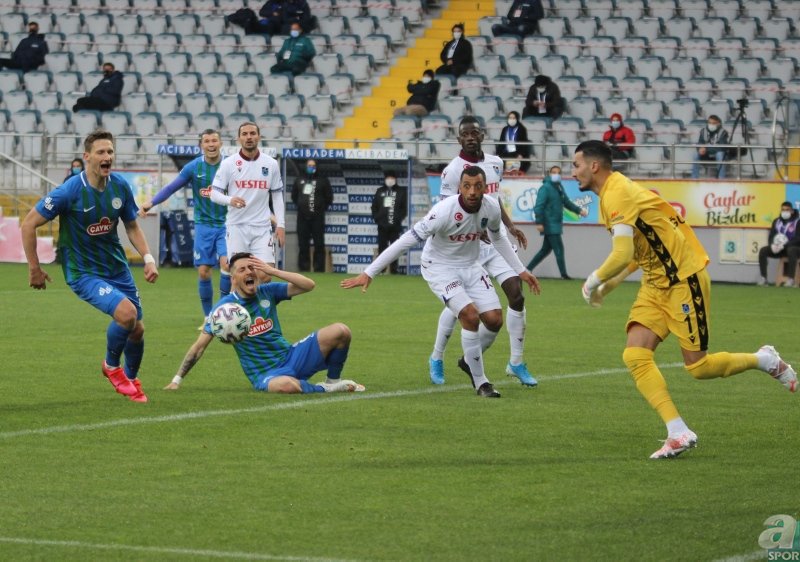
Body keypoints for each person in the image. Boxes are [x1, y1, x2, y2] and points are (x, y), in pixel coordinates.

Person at [574, 139, 797, 460]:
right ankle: (677, 431)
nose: (573, 172)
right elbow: (637, 251)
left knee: (699, 367)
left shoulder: (618, 192)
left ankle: (765, 360)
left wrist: (594, 279)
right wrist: (610, 286)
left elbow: (621, 253)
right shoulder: (612, 194)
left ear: (594, 166)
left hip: (683, 280)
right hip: (655, 285)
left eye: (576, 165)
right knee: (635, 355)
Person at [342, 167, 540, 398]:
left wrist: (521, 270)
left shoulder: (491, 208)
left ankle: (468, 360)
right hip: (439, 267)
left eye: (478, 186)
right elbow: (407, 240)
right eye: (467, 186)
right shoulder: (444, 212)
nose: (472, 191)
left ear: (485, 188)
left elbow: (497, 238)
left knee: (495, 320)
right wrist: (370, 272)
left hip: (471, 266)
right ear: (459, 188)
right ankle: (481, 383)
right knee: (470, 315)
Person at [21, 129, 159, 403]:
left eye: (110, 151)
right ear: (87, 157)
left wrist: (148, 259)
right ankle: (111, 366)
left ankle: (131, 380)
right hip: (83, 272)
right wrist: (34, 268)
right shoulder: (70, 191)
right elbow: (28, 224)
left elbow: (132, 226)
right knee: (127, 314)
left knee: (137, 329)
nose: (107, 156)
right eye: (101, 152)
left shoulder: (119, 186)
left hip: (116, 268)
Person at [429, 116, 536, 388]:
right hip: (467, 245)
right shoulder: (453, 171)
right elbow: (448, 211)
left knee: (516, 294)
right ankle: (437, 356)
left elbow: (494, 201)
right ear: (459, 138)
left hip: (495, 241)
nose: (470, 137)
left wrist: (510, 227)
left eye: (474, 133)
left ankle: (514, 362)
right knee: (461, 304)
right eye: (465, 134)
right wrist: (469, 233)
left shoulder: (496, 163)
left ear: (482, 135)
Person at [165, 252, 365, 393]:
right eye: (242, 269)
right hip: (265, 374)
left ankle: (333, 381)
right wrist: (177, 380)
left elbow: (308, 285)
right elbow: (199, 347)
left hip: (291, 356)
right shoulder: (223, 310)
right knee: (287, 386)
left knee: (341, 331)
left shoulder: (267, 291)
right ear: (233, 278)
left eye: (251, 267)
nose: (249, 272)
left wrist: (273, 271)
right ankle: (324, 389)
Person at [139, 129, 231, 319]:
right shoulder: (194, 167)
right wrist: (151, 203)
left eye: (214, 140)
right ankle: (208, 317)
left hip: (228, 224)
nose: (211, 144)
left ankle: (224, 313)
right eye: (207, 141)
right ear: (201, 145)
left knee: (227, 265)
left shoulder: (231, 165)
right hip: (204, 226)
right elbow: (171, 188)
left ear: (221, 143)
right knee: (204, 272)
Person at [210, 122, 285, 268]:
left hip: (262, 227)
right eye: (244, 134)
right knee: (239, 272)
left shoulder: (271, 164)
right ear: (239, 138)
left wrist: (281, 225)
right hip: (237, 227)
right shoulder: (228, 163)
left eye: (252, 133)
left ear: (259, 137)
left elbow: (277, 196)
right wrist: (230, 200)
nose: (249, 137)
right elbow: (214, 194)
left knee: (266, 273)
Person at [526, 165, 588, 279]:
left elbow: (566, 202)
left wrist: (579, 211)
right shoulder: (545, 188)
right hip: (550, 224)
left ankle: (527, 269)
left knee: (545, 250)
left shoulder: (559, 187)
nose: (557, 175)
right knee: (558, 248)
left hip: (555, 223)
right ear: (549, 174)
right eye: (554, 172)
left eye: (559, 172)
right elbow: (539, 206)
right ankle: (564, 275)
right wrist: (539, 222)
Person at [291, 158, 333, 272]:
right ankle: (303, 268)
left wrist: (320, 208)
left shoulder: (323, 180)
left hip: (317, 218)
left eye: (313, 165)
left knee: (319, 244)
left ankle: (319, 269)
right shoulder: (299, 179)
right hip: (302, 218)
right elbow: (294, 196)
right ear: (306, 166)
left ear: (317, 167)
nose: (311, 167)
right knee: (303, 244)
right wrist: (302, 206)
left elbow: (329, 198)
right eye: (309, 165)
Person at [371, 170, 408, 274]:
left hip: (395, 226)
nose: (390, 180)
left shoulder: (401, 191)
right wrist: (377, 218)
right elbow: (374, 207)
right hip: (382, 226)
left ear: (395, 179)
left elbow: (404, 209)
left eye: (392, 178)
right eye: (388, 178)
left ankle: (394, 269)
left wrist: (398, 219)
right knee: (382, 247)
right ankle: (381, 269)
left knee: (395, 248)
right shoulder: (380, 191)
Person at [757, 201, 800, 287]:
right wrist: (772, 245)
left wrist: (785, 245)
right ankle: (764, 279)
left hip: (795, 249)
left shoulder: (797, 222)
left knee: (791, 250)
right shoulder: (776, 221)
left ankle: (791, 280)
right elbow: (771, 236)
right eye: (783, 210)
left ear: (792, 211)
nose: (785, 212)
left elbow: (798, 239)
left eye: (787, 210)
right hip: (779, 248)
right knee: (763, 250)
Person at [691, 114, 729, 179]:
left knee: (720, 155)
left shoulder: (723, 132)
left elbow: (722, 147)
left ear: (718, 124)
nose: (711, 125)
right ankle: (694, 178)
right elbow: (700, 143)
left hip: (717, 153)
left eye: (713, 123)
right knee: (695, 155)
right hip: (706, 155)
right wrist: (700, 148)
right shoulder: (703, 131)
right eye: (709, 123)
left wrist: (706, 148)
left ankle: (721, 179)